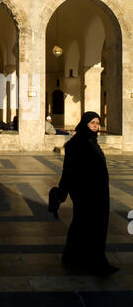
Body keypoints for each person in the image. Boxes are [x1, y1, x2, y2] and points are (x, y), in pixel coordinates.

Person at [56, 111, 119, 276]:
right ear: (84, 124)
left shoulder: (93, 142)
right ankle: (92, 261)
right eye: (92, 123)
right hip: (84, 193)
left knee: (89, 225)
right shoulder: (75, 144)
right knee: (87, 225)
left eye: (98, 123)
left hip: (99, 192)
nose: (96, 127)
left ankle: (77, 257)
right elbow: (68, 170)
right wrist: (62, 193)